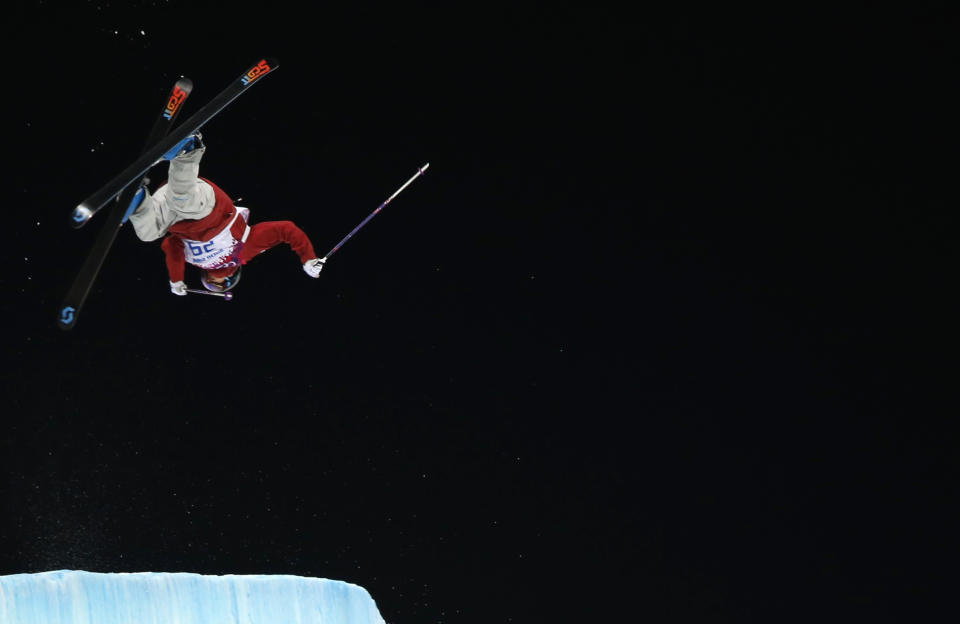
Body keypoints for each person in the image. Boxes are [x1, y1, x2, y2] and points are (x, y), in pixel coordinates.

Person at [128, 134, 325, 295]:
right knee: (184, 200)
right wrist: (308, 258)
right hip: (209, 208)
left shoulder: (195, 261)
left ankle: (135, 197)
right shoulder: (242, 253)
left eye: (210, 285)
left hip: (172, 213)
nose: (213, 282)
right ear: (232, 277)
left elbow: (171, 246)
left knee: (148, 234)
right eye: (219, 285)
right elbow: (285, 229)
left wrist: (177, 279)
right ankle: (189, 149)